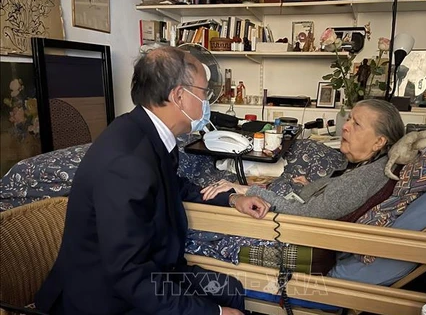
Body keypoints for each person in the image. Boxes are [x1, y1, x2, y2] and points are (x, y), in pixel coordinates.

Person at [34, 46, 270, 315]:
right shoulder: (127, 162)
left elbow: (173, 184)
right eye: (205, 94)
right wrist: (212, 313)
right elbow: (129, 274)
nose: (208, 104)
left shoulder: (147, 131)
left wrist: (231, 197)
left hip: (153, 271)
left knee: (229, 290)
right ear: (179, 96)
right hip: (108, 298)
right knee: (221, 306)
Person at [201, 99, 405, 220]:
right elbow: (333, 197)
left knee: (223, 186)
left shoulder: (363, 180)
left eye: (356, 124)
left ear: (379, 142)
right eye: (349, 118)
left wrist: (246, 190)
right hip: (300, 194)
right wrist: (314, 187)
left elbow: (304, 214)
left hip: (295, 222)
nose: (345, 126)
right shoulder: (368, 164)